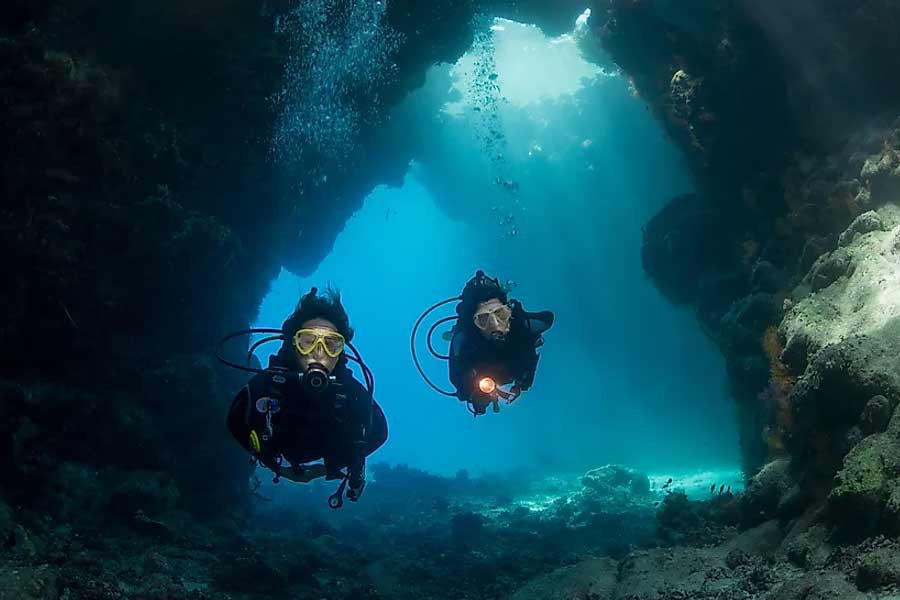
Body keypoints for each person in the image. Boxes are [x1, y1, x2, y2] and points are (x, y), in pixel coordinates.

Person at [226, 287, 387, 502]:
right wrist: (276, 465)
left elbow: (379, 432)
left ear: (340, 352)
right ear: (293, 345)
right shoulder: (269, 384)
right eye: (308, 341)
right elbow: (235, 421)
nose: (319, 353)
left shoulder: (351, 393)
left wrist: (329, 467)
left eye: (331, 345)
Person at [449, 271, 554, 415]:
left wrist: (519, 318)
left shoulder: (460, 375)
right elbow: (527, 358)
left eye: (499, 314)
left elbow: (547, 319)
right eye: (484, 319)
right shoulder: (502, 375)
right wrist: (520, 384)